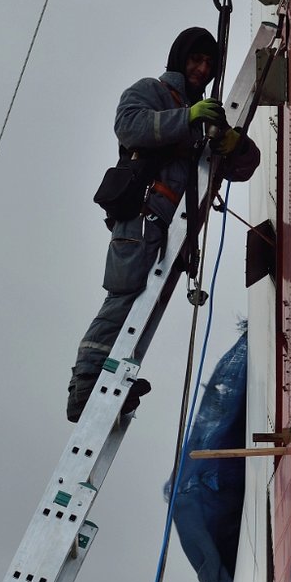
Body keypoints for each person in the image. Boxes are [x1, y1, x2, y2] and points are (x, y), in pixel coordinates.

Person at [66, 27, 260, 421]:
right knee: (124, 296)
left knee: (146, 306)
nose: (202, 69)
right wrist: (185, 117)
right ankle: (86, 385)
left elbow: (240, 167)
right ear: (180, 58)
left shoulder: (208, 117)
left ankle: (114, 380)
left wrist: (235, 144)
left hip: (173, 232)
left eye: (209, 64)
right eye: (196, 60)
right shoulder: (151, 92)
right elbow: (130, 126)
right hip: (140, 220)